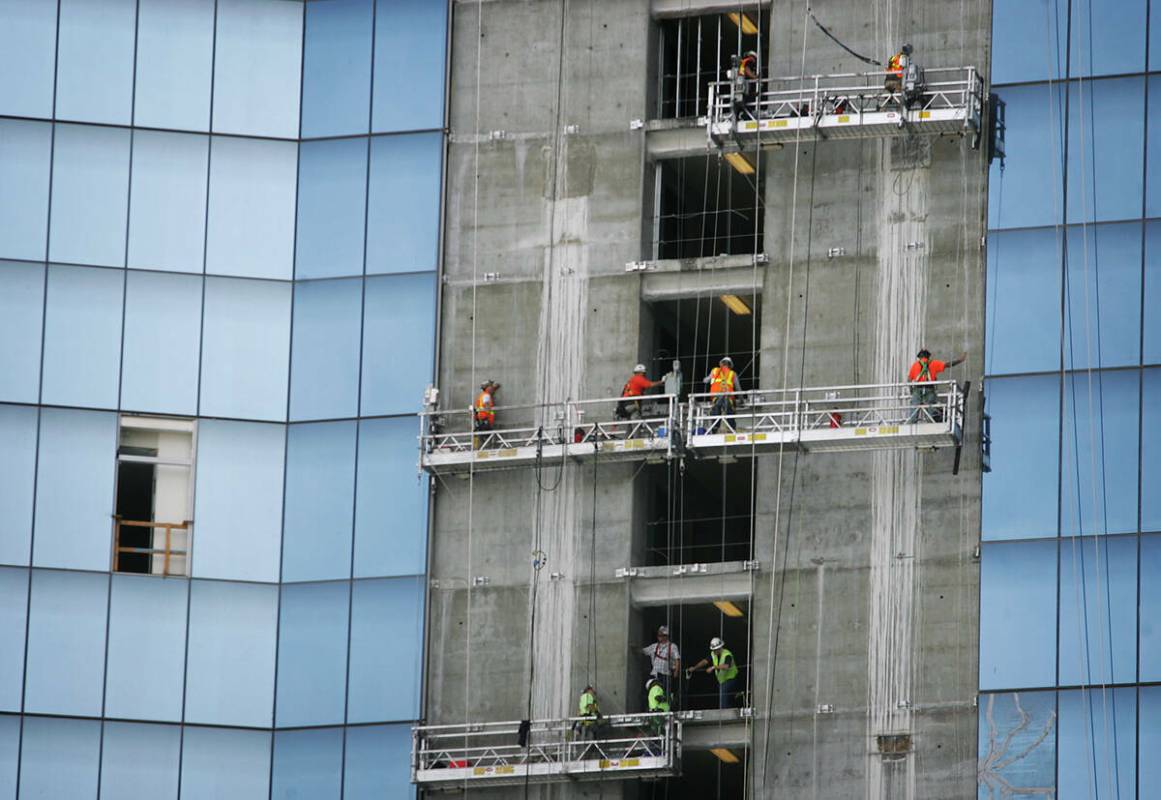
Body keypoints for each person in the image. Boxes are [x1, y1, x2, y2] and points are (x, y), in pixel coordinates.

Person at [907, 349, 966, 423]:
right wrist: (960, 360)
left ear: (919, 357)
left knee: (914, 412)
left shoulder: (915, 365)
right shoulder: (933, 363)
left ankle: (911, 423)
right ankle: (931, 423)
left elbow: (909, 379)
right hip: (929, 390)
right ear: (928, 357)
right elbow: (947, 365)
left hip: (917, 390)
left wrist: (911, 391)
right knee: (930, 412)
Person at [685, 637, 739, 709]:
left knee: (723, 697)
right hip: (722, 681)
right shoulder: (713, 654)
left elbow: (726, 666)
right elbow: (704, 662)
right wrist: (694, 668)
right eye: (713, 650)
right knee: (726, 698)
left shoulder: (727, 654)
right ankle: (727, 710)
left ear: (720, 647)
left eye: (715, 649)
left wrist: (713, 667)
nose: (714, 651)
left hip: (731, 679)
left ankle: (724, 713)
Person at [641, 625, 681, 701]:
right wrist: (633, 648)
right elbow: (644, 651)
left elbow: (677, 659)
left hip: (665, 674)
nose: (659, 637)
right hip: (655, 673)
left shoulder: (672, 646)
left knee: (664, 692)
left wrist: (676, 671)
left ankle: (666, 702)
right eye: (659, 635)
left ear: (666, 636)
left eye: (662, 635)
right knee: (651, 689)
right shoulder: (654, 646)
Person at [703, 357, 741, 426]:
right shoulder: (732, 374)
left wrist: (709, 378)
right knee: (729, 413)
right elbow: (738, 388)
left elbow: (706, 380)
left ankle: (715, 428)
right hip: (728, 397)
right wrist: (741, 400)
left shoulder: (714, 370)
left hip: (716, 397)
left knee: (716, 410)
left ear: (721, 363)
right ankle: (731, 428)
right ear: (730, 365)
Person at [729, 51, 759, 120]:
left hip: (741, 86)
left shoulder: (743, 62)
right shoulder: (748, 61)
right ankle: (745, 116)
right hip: (743, 86)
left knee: (741, 104)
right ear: (752, 57)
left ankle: (739, 117)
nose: (755, 61)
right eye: (755, 59)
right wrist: (755, 77)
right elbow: (747, 70)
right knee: (746, 104)